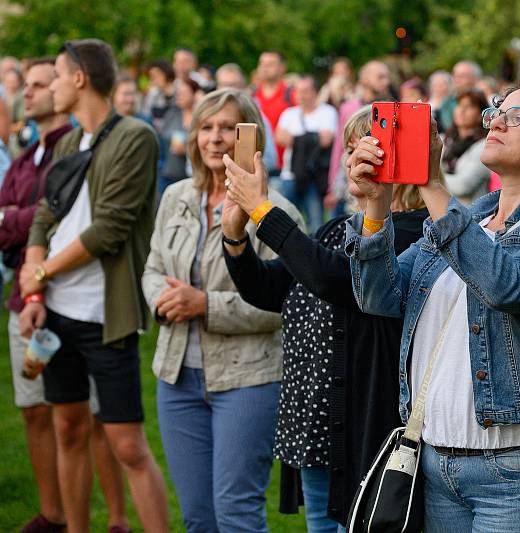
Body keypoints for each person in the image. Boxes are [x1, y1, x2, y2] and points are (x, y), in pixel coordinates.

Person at [345, 71, 520, 531]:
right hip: (437, 468)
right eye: (495, 113)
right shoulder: (469, 221)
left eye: (517, 115)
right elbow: (381, 298)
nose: (496, 122)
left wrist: (432, 184)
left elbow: (506, 285)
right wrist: (375, 207)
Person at [222, 106, 427, 532]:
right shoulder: (339, 227)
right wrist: (235, 237)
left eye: (364, 150)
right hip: (316, 426)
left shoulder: (418, 231)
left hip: (367, 427)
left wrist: (263, 209)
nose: (351, 162)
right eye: (349, 150)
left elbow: (337, 281)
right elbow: (268, 289)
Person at [18, 38, 169, 531]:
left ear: (79, 78)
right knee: (67, 427)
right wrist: (36, 289)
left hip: (106, 314)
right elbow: (45, 215)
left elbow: (108, 229)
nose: (52, 85)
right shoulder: (65, 142)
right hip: (56, 310)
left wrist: (39, 271)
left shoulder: (135, 137)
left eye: (57, 75)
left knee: (126, 443)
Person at [141, 89, 301, 532]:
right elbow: (152, 266)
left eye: (228, 128)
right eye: (206, 127)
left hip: (246, 379)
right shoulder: (175, 197)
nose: (215, 138)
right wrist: (163, 298)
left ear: (250, 137)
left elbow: (284, 304)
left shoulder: (276, 213)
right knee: (197, 517)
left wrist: (204, 305)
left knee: (236, 514)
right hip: (177, 377)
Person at [0, 56, 133, 533]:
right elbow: (18, 218)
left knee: (102, 422)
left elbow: (39, 215)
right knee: (40, 414)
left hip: (77, 297)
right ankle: (53, 514)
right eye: (31, 84)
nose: (30, 92)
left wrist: (15, 223)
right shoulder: (25, 156)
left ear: (72, 84)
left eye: (42, 82)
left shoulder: (75, 148)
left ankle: (117, 519)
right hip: (32, 297)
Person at [326, 60, 392, 215]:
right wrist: (332, 186)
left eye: (387, 77)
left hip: (376, 180)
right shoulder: (348, 107)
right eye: (380, 77)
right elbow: (339, 147)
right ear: (365, 80)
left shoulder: (391, 108)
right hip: (346, 178)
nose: (386, 82)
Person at [275, 75, 337, 231]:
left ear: (315, 92)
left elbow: (326, 139)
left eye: (306, 91)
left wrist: (295, 138)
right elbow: (280, 138)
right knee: (285, 222)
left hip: (314, 176)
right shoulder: (289, 113)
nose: (301, 95)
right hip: (290, 175)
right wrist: (312, 137)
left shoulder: (327, 112)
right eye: (299, 91)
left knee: (316, 223)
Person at [216, 62, 279, 175]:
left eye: (234, 84)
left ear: (243, 87)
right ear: (217, 87)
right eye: (224, 84)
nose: (229, 89)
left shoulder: (256, 117)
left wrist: (243, 168)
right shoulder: (206, 115)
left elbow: (270, 159)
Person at [441, 89, 491, 205]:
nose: (462, 110)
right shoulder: (445, 140)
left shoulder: (485, 145)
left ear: (480, 115)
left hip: (470, 215)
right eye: (459, 105)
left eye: (469, 107)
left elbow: (462, 186)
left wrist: (432, 178)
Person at [157, 77, 200, 198]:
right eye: (178, 93)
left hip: (189, 178)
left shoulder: (200, 118)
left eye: (184, 93)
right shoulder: (172, 114)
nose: (179, 96)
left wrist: (186, 149)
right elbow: (162, 139)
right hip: (167, 175)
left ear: (194, 94)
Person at [254, 51, 296, 173]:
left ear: (282, 68)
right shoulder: (251, 96)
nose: (265, 68)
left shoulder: (292, 96)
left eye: (270, 64)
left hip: (285, 170)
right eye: (262, 64)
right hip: (257, 165)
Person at [142, 58, 176, 132]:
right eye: (151, 77)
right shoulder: (153, 94)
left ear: (166, 73)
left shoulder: (180, 91)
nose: (153, 80)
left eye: (156, 76)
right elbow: (146, 115)